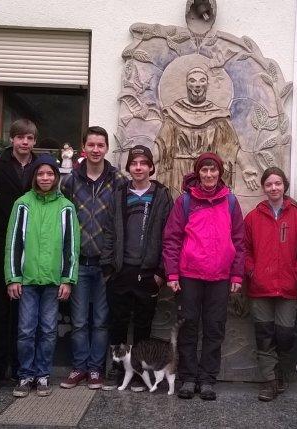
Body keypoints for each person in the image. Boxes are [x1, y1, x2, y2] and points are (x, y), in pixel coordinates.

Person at [162, 152, 245, 401]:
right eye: (204, 171)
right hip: (190, 275)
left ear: (220, 173)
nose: (209, 175)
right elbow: (172, 239)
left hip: (220, 277)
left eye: (213, 170)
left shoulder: (230, 202)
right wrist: (172, 272)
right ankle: (188, 378)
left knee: (214, 329)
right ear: (198, 173)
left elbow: (240, 242)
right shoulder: (185, 201)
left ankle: (208, 379)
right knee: (188, 327)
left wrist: (237, 276)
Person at [5, 154, 80, 398]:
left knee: (48, 330)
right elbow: (13, 243)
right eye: (40, 173)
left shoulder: (66, 207)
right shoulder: (22, 204)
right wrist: (13, 277)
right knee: (26, 329)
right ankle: (25, 375)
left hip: (52, 282)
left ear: (57, 177)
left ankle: (43, 375)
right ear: (34, 177)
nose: (45, 178)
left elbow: (71, 246)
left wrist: (68, 279)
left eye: (50, 174)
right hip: (26, 281)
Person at [100, 145, 173, 391]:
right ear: (128, 167)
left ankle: (141, 370)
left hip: (148, 272)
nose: (139, 167)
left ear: (151, 167)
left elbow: (169, 235)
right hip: (121, 270)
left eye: (144, 163)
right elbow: (109, 232)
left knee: (143, 323)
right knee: (118, 322)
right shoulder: (119, 194)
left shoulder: (161, 195)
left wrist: (161, 271)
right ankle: (118, 368)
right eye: (134, 163)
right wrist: (109, 267)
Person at [60, 126, 127, 390]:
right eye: (91, 145)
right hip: (79, 262)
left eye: (100, 145)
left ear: (106, 148)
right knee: (78, 321)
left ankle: (96, 370)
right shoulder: (70, 181)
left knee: (100, 321)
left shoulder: (118, 181)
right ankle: (79, 368)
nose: (96, 150)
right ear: (83, 148)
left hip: (105, 265)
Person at [0, 119, 38, 389]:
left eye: (29, 138)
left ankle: (19, 366)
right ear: (11, 139)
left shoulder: (42, 167)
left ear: (35, 141)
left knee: (24, 311)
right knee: (0, 308)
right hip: (2, 244)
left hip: (34, 246)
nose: (25, 142)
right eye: (20, 138)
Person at [244, 167, 297, 402]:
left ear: (285, 185)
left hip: (288, 287)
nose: (273, 188)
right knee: (264, 335)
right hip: (260, 287)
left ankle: (280, 371)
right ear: (263, 188)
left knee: (285, 334)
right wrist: (252, 271)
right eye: (269, 184)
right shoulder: (253, 217)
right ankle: (269, 381)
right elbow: (245, 249)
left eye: (277, 183)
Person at [154, 67, 258, 198]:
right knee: (181, 209)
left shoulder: (217, 115)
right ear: (187, 85)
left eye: (202, 81)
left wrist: (246, 167)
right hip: (179, 173)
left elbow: (231, 146)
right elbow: (161, 146)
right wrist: (144, 166)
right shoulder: (174, 113)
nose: (197, 85)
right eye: (192, 81)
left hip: (208, 173)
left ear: (207, 85)